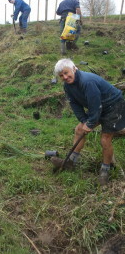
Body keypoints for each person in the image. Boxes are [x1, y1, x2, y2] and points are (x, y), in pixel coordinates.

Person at [51, 58, 125, 186]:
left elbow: (95, 105)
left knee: (105, 139)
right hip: (98, 107)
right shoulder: (68, 86)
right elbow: (74, 104)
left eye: (66, 73)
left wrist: (90, 124)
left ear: (74, 68)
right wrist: (84, 121)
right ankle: (71, 162)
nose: (65, 77)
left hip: (114, 106)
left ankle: (105, 170)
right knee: (79, 129)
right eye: (61, 75)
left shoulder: (87, 81)